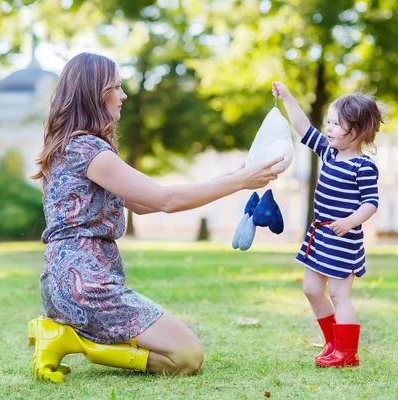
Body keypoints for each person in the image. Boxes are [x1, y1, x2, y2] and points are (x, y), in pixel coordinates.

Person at [26, 52, 286, 383]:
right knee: (186, 357)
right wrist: (239, 182)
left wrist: (232, 178)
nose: (123, 95)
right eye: (116, 87)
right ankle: (73, 341)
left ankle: (65, 336)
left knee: (182, 354)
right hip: (85, 283)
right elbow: (165, 201)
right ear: (94, 93)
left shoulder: (69, 147)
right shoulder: (89, 150)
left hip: (63, 279)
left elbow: (145, 203)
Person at [272, 82, 383, 368]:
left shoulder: (363, 166)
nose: (329, 128)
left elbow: (371, 203)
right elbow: (302, 126)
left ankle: (347, 353)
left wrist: (350, 221)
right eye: (328, 122)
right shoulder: (329, 152)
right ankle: (333, 342)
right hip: (319, 235)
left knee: (338, 293)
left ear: (357, 132)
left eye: (336, 124)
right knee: (311, 289)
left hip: (343, 238)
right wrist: (288, 97)